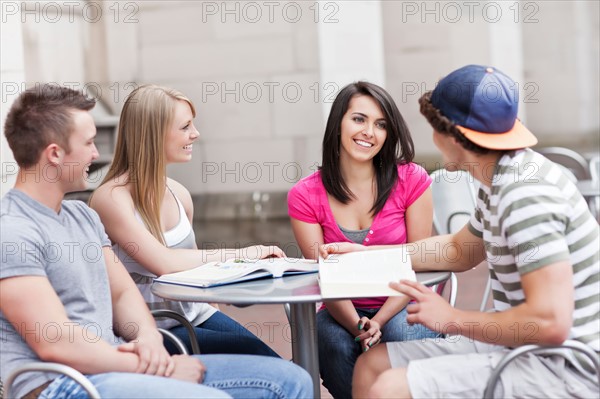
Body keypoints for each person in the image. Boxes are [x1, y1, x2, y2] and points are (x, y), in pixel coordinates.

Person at [0, 84, 312, 399]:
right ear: (55, 153)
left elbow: (122, 294)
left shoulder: (82, 216)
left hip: (115, 368)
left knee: (292, 380)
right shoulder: (13, 231)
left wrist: (148, 338)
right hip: (65, 385)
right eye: (89, 143)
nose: (96, 154)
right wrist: (146, 365)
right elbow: (56, 341)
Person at [322, 65, 599, 398]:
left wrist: (452, 318)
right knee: (373, 365)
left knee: (389, 389)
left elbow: (550, 323)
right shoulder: (499, 177)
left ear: (452, 136)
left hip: (565, 367)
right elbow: (459, 250)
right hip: (523, 345)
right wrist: (371, 255)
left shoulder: (525, 196)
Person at [89, 85, 281, 357]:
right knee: (261, 360)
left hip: (195, 314)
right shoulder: (111, 198)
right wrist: (244, 255)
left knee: (270, 358)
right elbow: (165, 263)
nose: (196, 133)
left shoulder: (179, 193)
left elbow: (193, 269)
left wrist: (217, 305)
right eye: (185, 127)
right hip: (152, 331)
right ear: (153, 135)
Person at [287, 81, 439, 398]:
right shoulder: (304, 195)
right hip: (342, 306)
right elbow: (325, 277)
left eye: (380, 124)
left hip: (403, 300)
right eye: (359, 119)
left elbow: (417, 263)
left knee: (401, 330)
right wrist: (359, 324)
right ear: (338, 123)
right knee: (333, 341)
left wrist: (380, 320)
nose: (369, 131)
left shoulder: (412, 180)